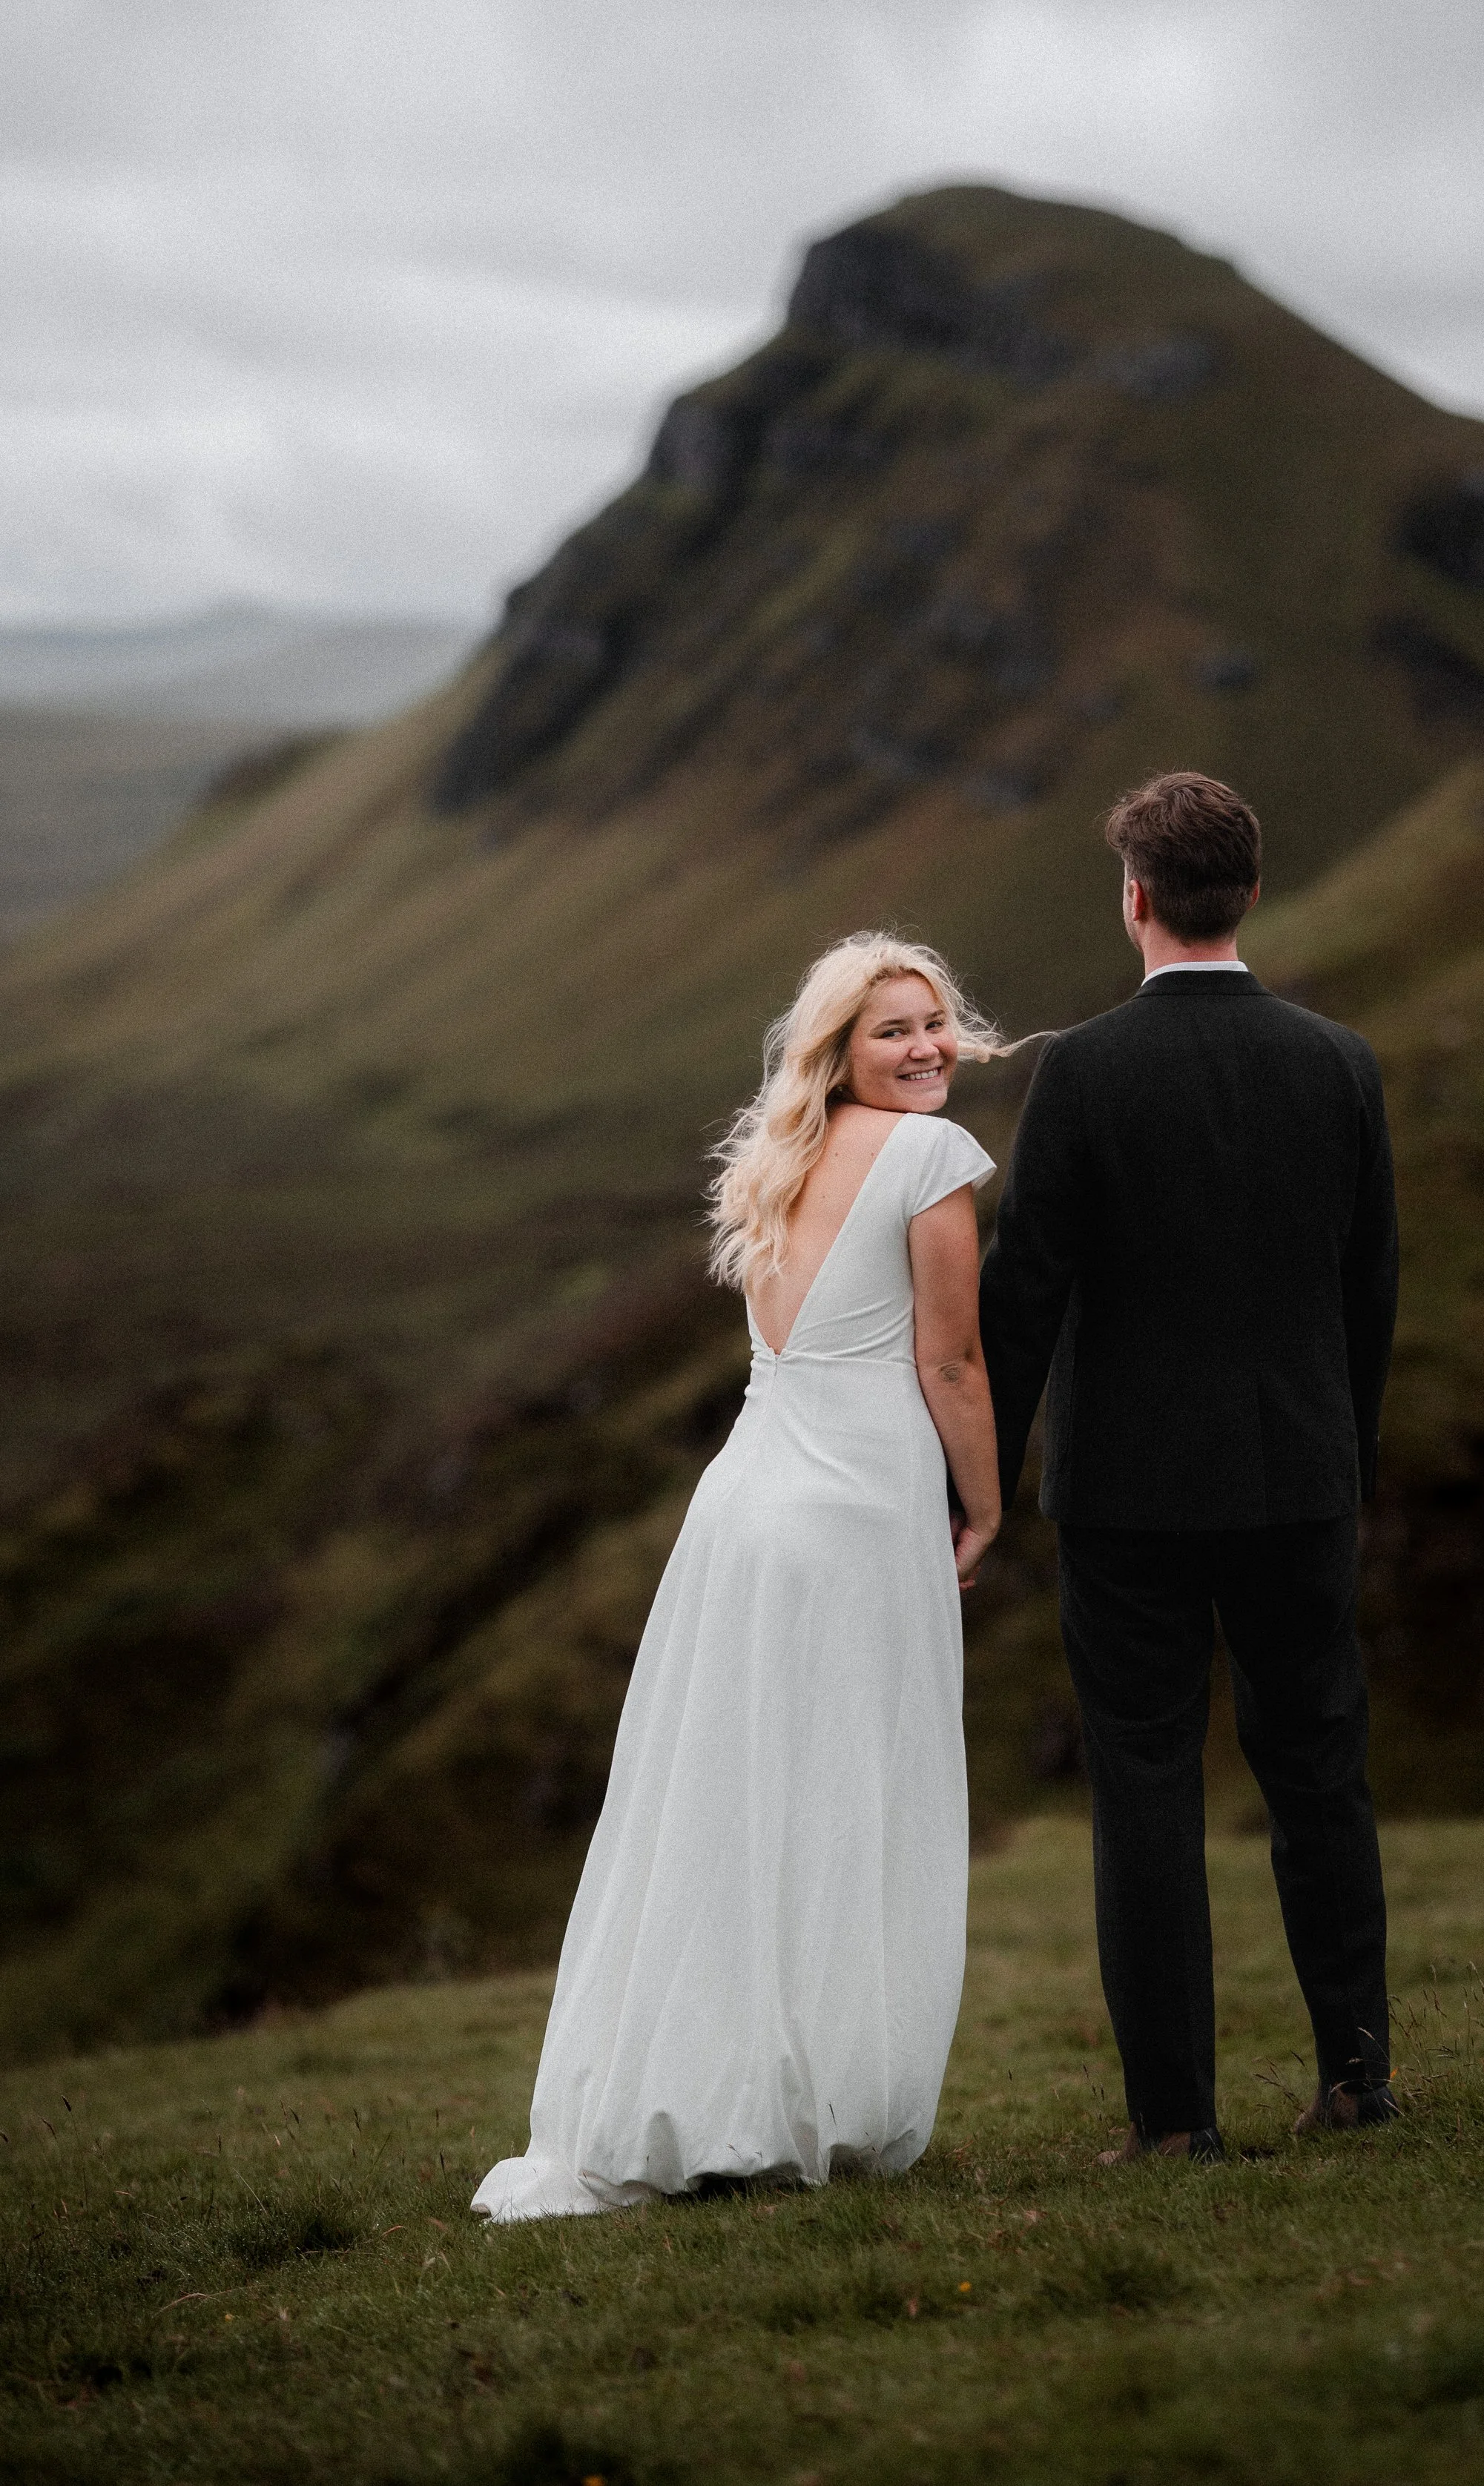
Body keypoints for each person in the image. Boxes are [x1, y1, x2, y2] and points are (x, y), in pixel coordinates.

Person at [473, 934, 1003, 2218]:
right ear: (839, 1050)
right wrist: (985, 1502)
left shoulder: (780, 1161)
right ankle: (796, 2096)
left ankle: (715, 2089)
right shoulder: (929, 1157)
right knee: (843, 1803)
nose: (927, 1046)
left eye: (934, 1022)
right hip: (860, 1512)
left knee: (730, 1809)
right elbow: (951, 1363)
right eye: (893, 1030)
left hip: (746, 1509)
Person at [979, 771, 1399, 2160]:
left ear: (1136, 899)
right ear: (1253, 895)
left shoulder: (1086, 1070)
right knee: (1320, 1771)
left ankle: (1173, 2125)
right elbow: (1368, 1290)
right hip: (1301, 1477)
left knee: (1147, 1785)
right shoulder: (1339, 1061)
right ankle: (1355, 2082)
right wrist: (1350, 1460)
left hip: (1129, 1495)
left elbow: (1025, 1292)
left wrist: (969, 1486)